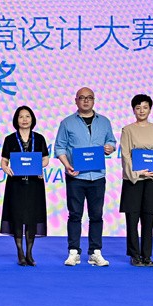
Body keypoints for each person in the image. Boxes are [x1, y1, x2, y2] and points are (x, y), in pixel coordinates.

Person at [54, 87, 116, 267]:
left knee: (96, 215)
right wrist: (67, 165)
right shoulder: (67, 123)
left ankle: (95, 252)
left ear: (94, 100)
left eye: (89, 98)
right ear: (76, 101)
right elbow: (60, 147)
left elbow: (111, 141)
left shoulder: (104, 122)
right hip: (76, 176)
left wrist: (110, 147)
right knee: (75, 215)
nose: (86, 101)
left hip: (97, 176)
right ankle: (74, 251)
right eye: (82, 98)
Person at [119, 94, 153, 267]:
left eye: (145, 107)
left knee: (149, 219)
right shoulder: (127, 130)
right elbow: (125, 155)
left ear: (150, 109)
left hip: (152, 179)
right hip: (134, 180)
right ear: (133, 110)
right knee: (132, 219)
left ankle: (147, 255)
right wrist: (137, 172)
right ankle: (134, 254)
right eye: (138, 108)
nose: (142, 111)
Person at [0, 105, 50, 266]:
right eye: (21, 117)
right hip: (16, 185)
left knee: (31, 218)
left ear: (32, 119)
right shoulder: (10, 139)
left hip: (34, 184)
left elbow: (46, 158)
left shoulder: (39, 138)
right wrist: (5, 168)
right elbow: (4, 161)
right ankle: (20, 252)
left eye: (27, 116)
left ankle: (29, 253)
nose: (24, 119)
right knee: (17, 217)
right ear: (16, 120)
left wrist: (40, 166)